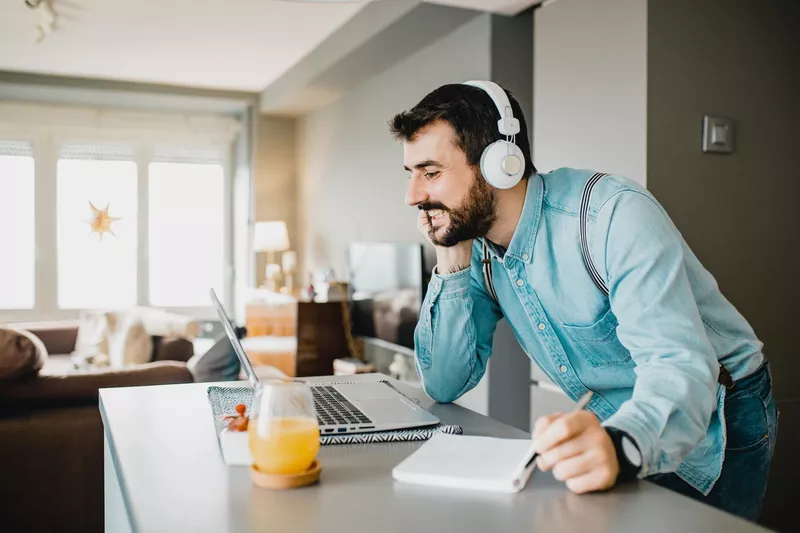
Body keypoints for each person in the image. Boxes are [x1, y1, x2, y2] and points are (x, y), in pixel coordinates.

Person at [388, 81, 777, 522]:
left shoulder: (611, 214)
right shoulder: (477, 251)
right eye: (411, 174)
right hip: (618, 417)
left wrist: (621, 444)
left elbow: (679, 363)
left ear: (500, 164)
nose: (413, 196)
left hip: (717, 410)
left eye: (431, 172)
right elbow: (443, 382)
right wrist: (450, 253)